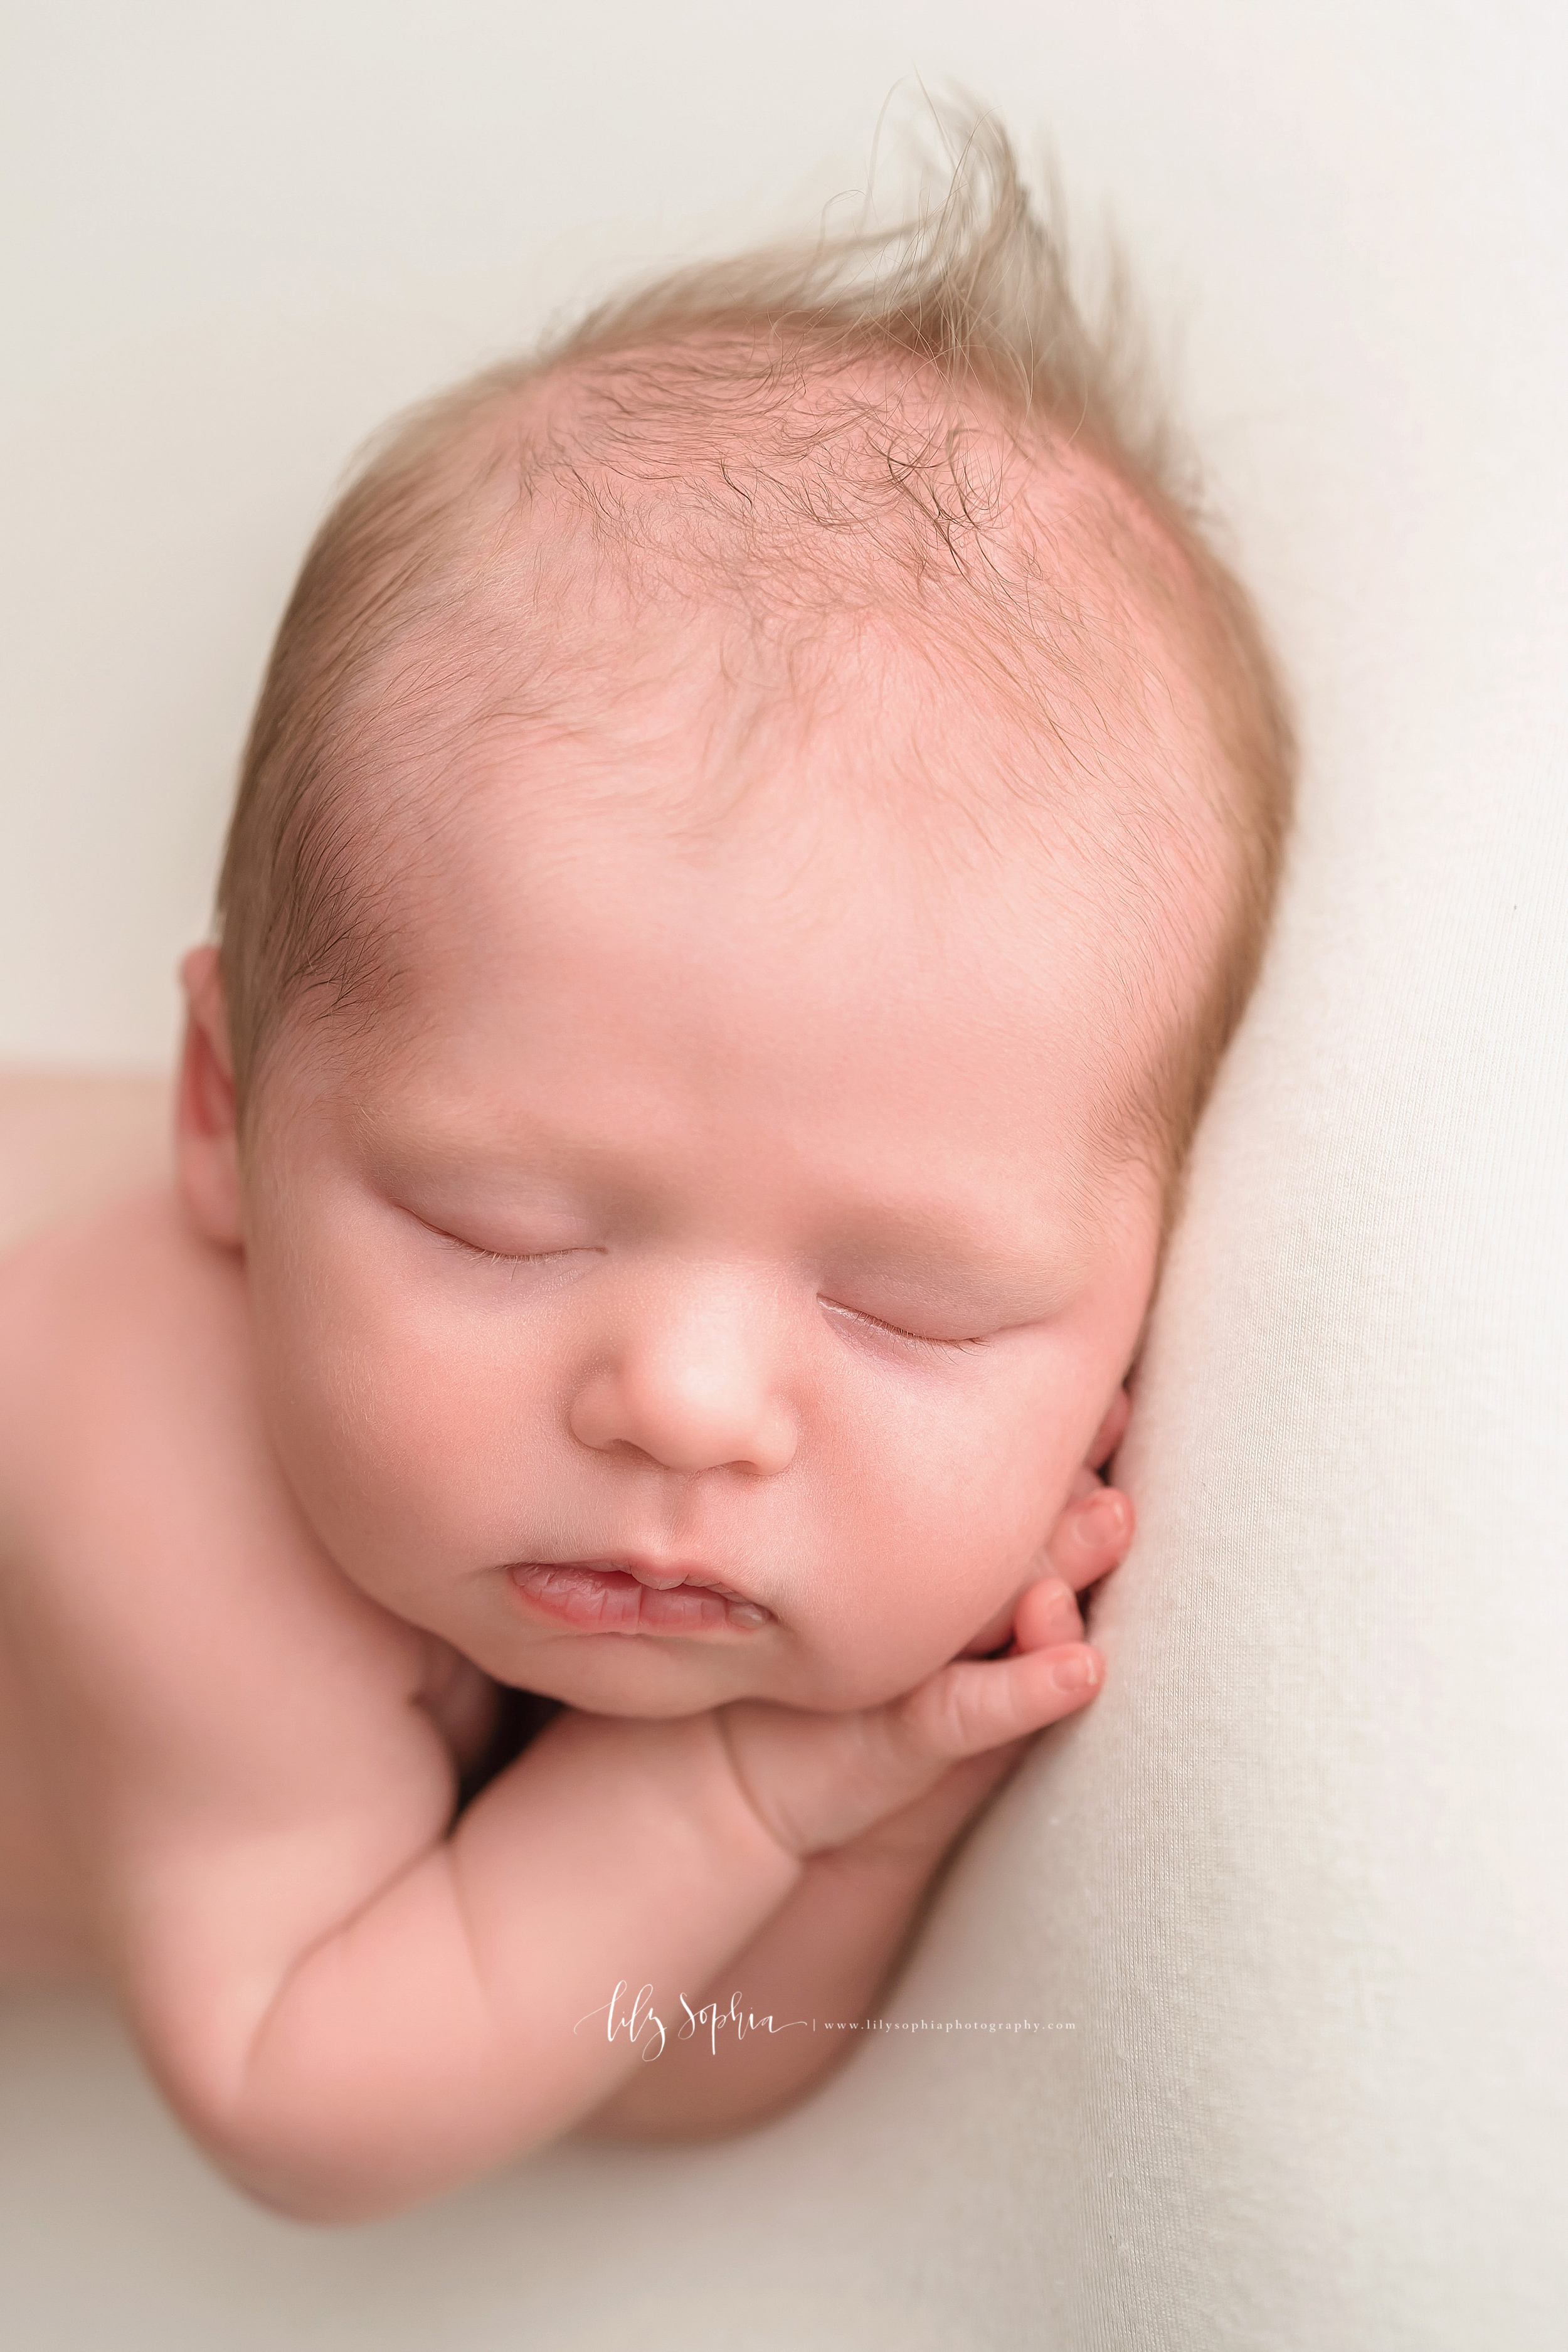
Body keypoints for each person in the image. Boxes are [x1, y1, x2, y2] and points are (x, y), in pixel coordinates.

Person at [0, 119, 1292, 2220]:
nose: (685, 1401)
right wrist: (727, 1790)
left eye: (911, 1304)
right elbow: (310, 2090)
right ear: (225, 1114)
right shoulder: (152, 1438)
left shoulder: (537, 1510)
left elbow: (632, 2073)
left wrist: (837, 1827)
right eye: (492, 1225)